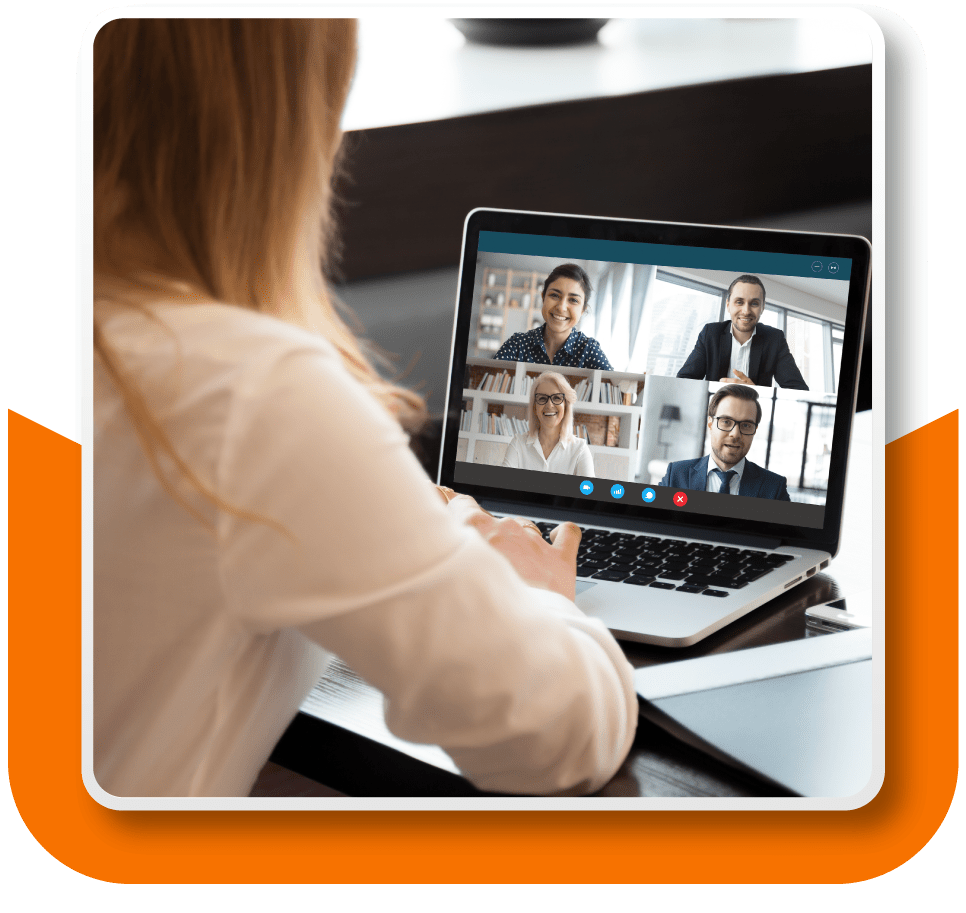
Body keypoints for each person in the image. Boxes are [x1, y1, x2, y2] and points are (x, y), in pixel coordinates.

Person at [92, 19, 636, 798]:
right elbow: (550, 732)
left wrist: (420, 527)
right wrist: (538, 602)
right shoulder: (250, 394)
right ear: (291, 116)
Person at [676, 275, 809, 390]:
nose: (746, 311)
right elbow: (684, 382)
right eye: (739, 302)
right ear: (728, 305)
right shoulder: (710, 333)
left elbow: (799, 390)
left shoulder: (774, 339)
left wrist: (755, 393)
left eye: (754, 303)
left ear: (762, 307)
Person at [660, 385, 791, 500]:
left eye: (746, 425)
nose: (735, 434)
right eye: (726, 422)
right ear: (711, 424)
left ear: (755, 430)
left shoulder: (774, 487)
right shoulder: (676, 475)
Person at [494, 263, 613, 369]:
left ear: (583, 310)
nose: (561, 307)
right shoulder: (518, 344)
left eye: (573, 300)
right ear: (543, 297)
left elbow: (617, 389)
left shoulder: (589, 350)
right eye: (555, 295)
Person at [501, 372, 595, 476]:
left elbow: (588, 491)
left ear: (566, 406)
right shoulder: (518, 444)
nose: (549, 405)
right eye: (542, 398)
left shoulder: (580, 450)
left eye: (557, 398)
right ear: (534, 408)